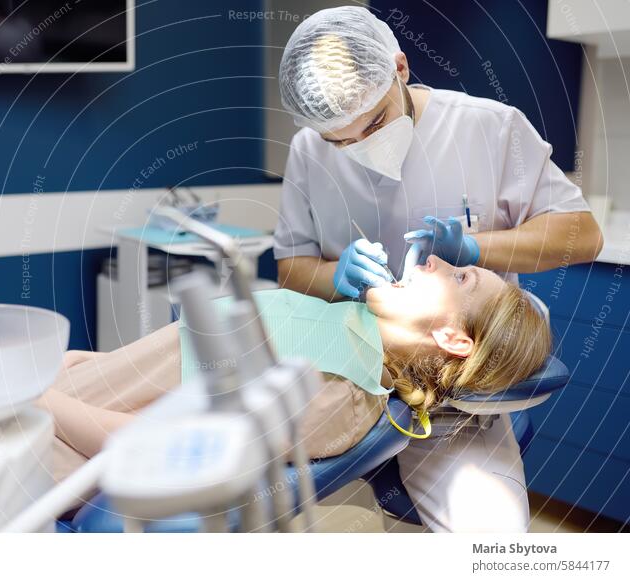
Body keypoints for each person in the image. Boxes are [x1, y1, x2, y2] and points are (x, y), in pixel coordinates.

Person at [272, 5, 603, 532]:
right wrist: (337, 277)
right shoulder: (308, 149)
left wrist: (475, 249)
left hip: (449, 401)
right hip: (346, 370)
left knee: (492, 540)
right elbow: (292, 268)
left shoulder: (491, 128)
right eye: (341, 140)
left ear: (400, 68)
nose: (360, 146)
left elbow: (583, 235)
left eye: (375, 122)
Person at [39, 256, 551, 528]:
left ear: (453, 338)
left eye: (460, 276)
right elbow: (164, 368)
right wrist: (66, 369)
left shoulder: (334, 395)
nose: (435, 259)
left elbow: (151, 447)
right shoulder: (348, 327)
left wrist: (32, 398)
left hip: (43, 456)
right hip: (64, 398)